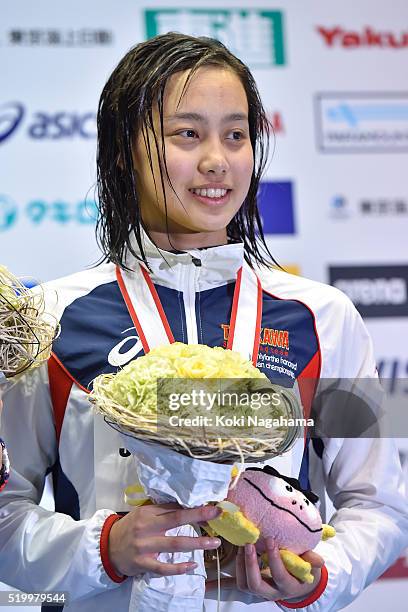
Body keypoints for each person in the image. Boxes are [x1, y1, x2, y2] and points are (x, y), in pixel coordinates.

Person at [0, 32, 407, 612]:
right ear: (123, 149)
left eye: (235, 135)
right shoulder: (51, 320)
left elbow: (382, 503)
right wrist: (102, 548)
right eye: (187, 133)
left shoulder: (325, 317)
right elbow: (4, 514)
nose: (217, 160)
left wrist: (319, 577)